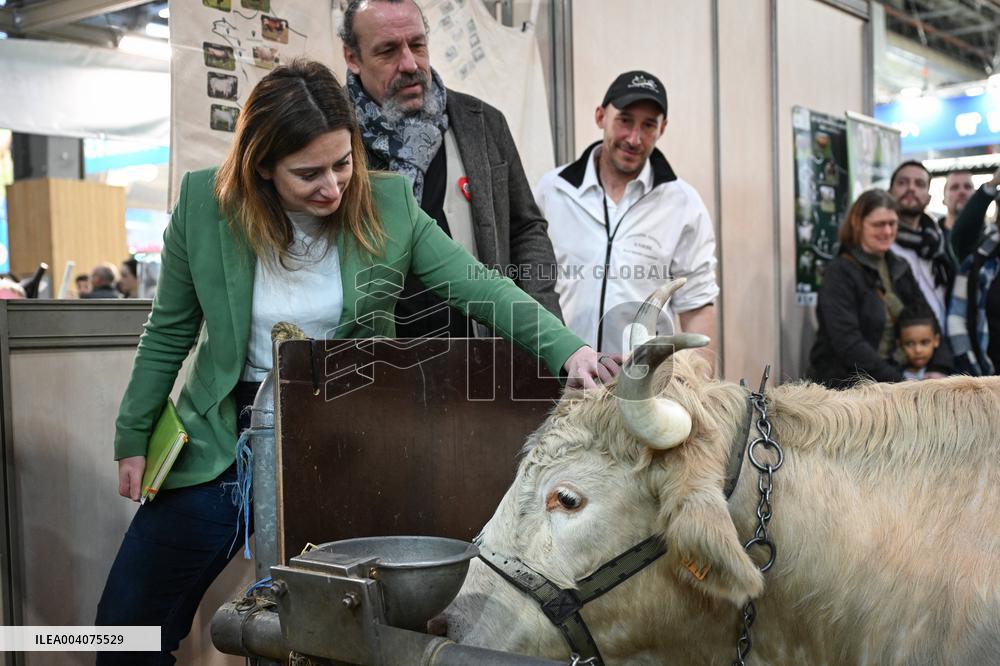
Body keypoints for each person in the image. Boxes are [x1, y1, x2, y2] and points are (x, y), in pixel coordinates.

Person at [93, 60, 615, 665]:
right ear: (262, 166)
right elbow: (169, 332)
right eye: (308, 173)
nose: (334, 187)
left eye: (343, 164)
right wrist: (133, 435)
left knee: (340, 635)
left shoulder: (388, 204)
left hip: (343, 440)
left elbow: (481, 286)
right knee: (126, 622)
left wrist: (569, 349)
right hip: (224, 438)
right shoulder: (205, 208)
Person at [339, 0, 563, 339]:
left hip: (479, 357)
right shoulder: (334, 134)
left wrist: (538, 320)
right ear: (352, 57)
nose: (410, 64)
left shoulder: (482, 124)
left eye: (417, 45)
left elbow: (526, 229)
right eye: (387, 51)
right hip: (377, 362)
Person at [534, 70, 718, 360]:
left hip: (642, 387)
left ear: (663, 128)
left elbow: (696, 305)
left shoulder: (683, 204)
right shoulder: (552, 191)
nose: (634, 138)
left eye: (648, 126)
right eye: (625, 121)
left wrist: (697, 392)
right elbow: (529, 285)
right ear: (600, 117)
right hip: (560, 374)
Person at [807, 189, 944, 388]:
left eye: (892, 223)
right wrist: (900, 382)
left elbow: (928, 318)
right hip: (846, 389)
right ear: (857, 224)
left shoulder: (900, 266)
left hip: (894, 382)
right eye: (879, 224)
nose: (887, 231)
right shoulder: (839, 273)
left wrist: (940, 367)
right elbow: (848, 343)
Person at [887, 160, 955, 331]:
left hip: (941, 347)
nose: (911, 189)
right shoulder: (879, 245)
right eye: (903, 183)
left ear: (928, 197)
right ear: (889, 192)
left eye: (920, 184)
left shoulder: (939, 244)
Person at [896, 305, 946, 380]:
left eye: (924, 342)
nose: (918, 350)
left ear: (936, 340)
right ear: (899, 344)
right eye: (910, 344)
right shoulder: (893, 380)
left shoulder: (945, 378)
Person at [940, 170, 975, 234]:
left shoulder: (993, 236)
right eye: (954, 187)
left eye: (967, 187)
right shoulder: (927, 238)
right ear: (944, 199)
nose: (962, 191)